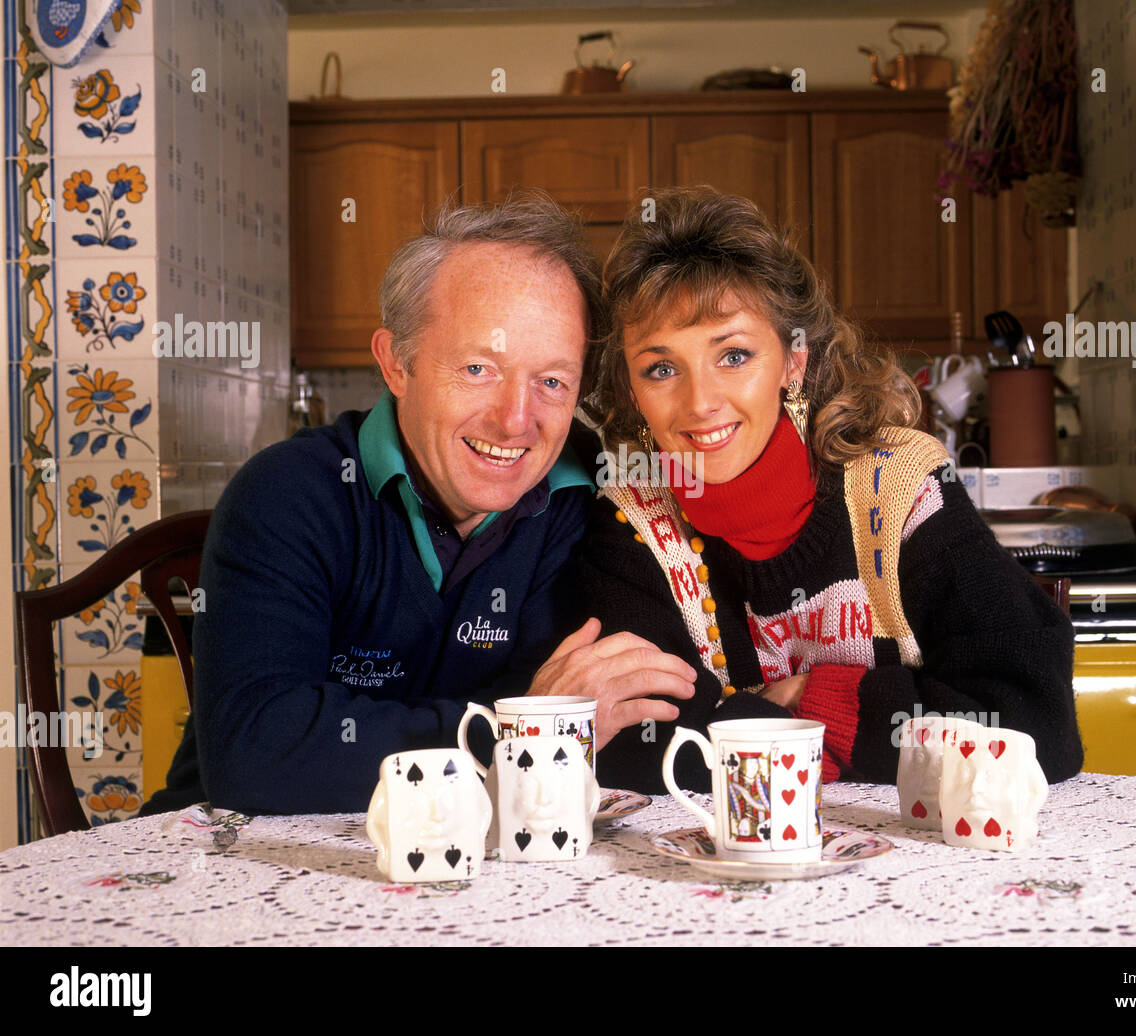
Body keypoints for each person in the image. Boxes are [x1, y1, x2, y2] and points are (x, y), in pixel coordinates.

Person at [142, 194, 696, 816]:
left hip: (467, 864)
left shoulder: (584, 500)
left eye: (551, 382)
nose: (516, 420)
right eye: (479, 368)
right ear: (396, 363)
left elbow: (625, 717)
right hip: (233, 864)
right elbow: (257, 756)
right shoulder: (286, 496)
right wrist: (524, 731)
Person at [584, 187, 1084, 795]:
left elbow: (1037, 727)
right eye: (661, 368)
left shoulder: (899, 490)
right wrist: (885, 722)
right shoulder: (632, 527)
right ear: (632, 390)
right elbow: (633, 747)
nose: (700, 402)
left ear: (793, 362)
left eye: (734, 355)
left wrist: (818, 702)